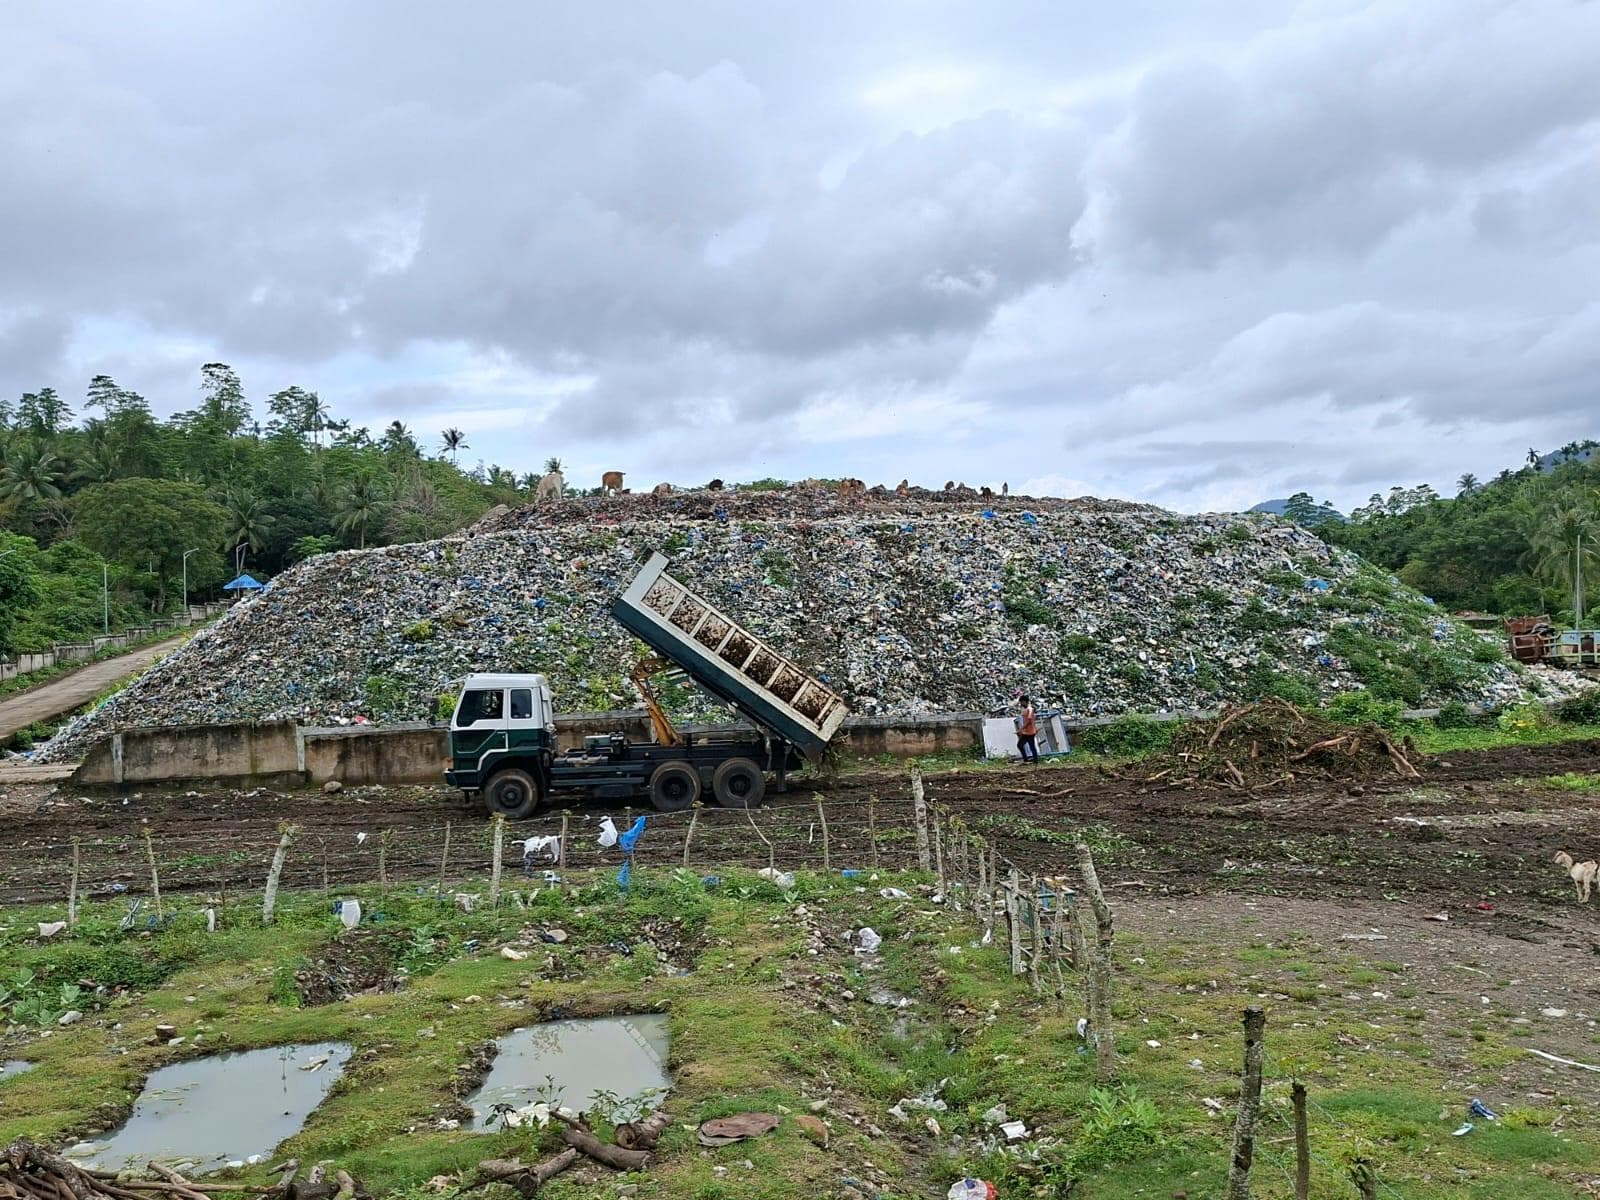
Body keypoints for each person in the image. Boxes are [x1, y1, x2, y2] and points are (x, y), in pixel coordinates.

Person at [1015, 694, 1039, 763]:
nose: (1021, 704)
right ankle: (1027, 760)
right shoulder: (1026, 710)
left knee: (1031, 746)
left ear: (1024, 701)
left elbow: (1028, 721)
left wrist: (1021, 729)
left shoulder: (1030, 709)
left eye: (1021, 702)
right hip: (1026, 731)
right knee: (1020, 745)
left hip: (1030, 731)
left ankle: (1035, 760)